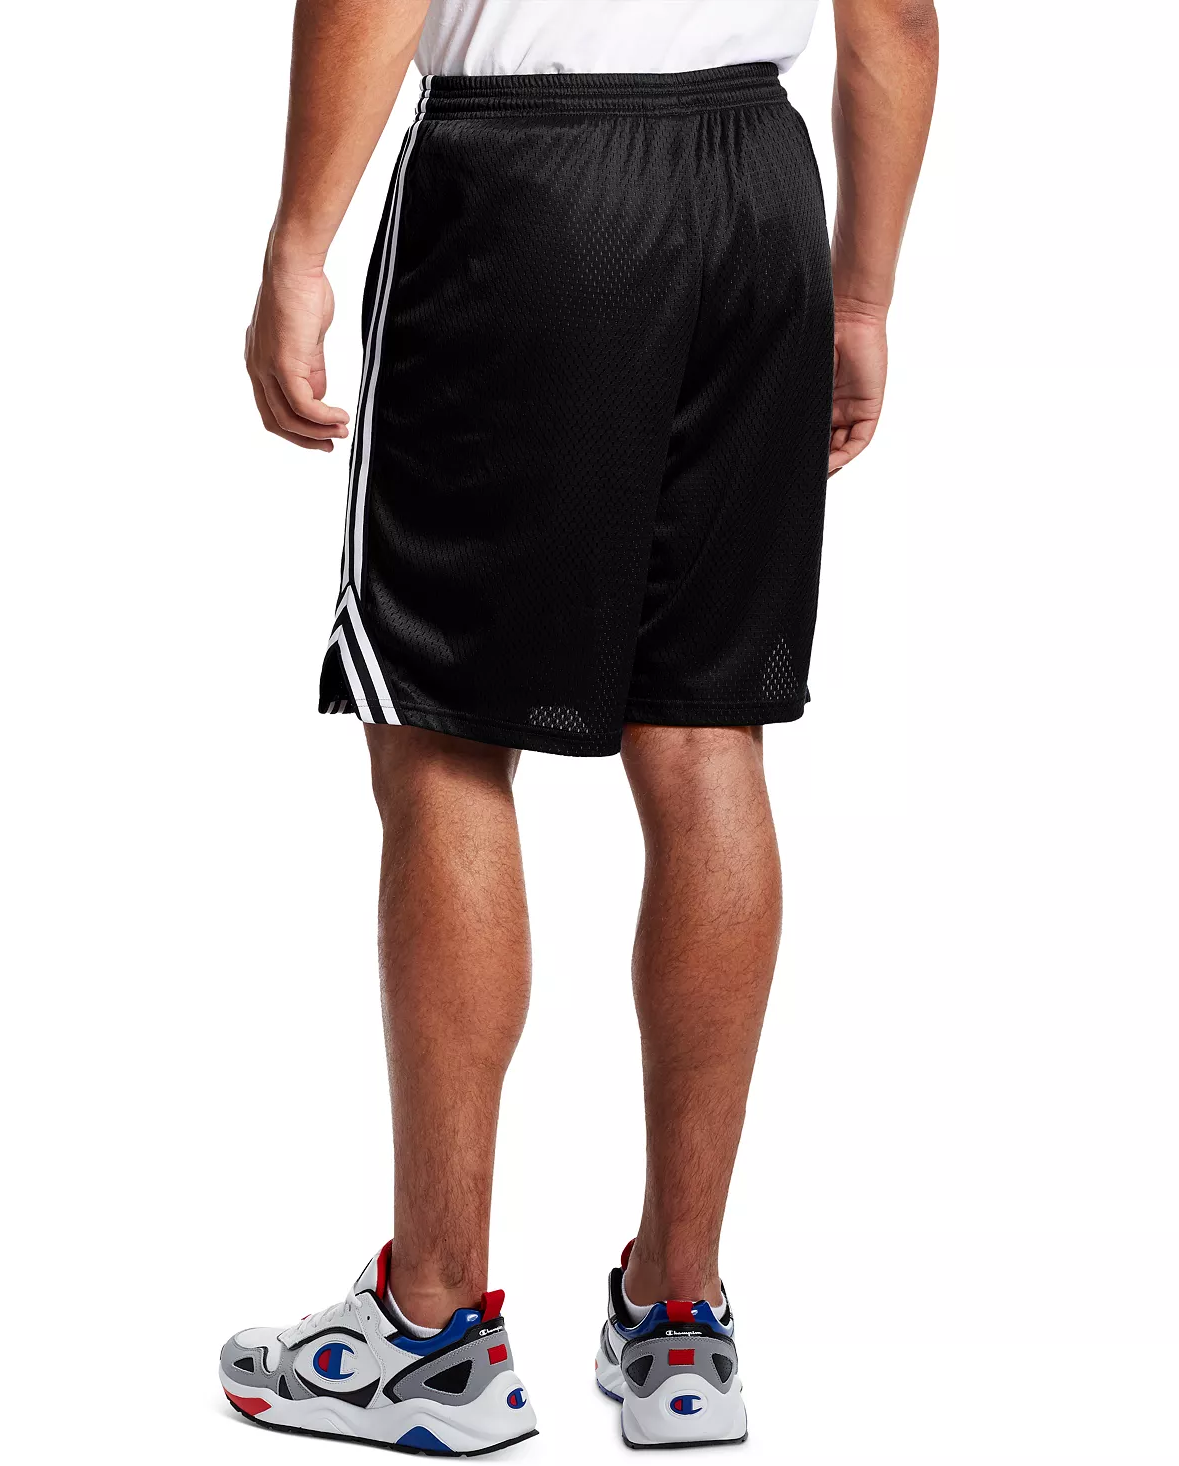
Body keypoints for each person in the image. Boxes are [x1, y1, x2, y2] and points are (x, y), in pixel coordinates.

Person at [222, 0, 938, 1452]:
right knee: (705, 736)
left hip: (529, 188)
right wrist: (860, 298)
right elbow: (898, 20)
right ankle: (680, 1318)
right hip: (757, 190)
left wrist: (299, 241)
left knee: (440, 730)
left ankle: (433, 1329)